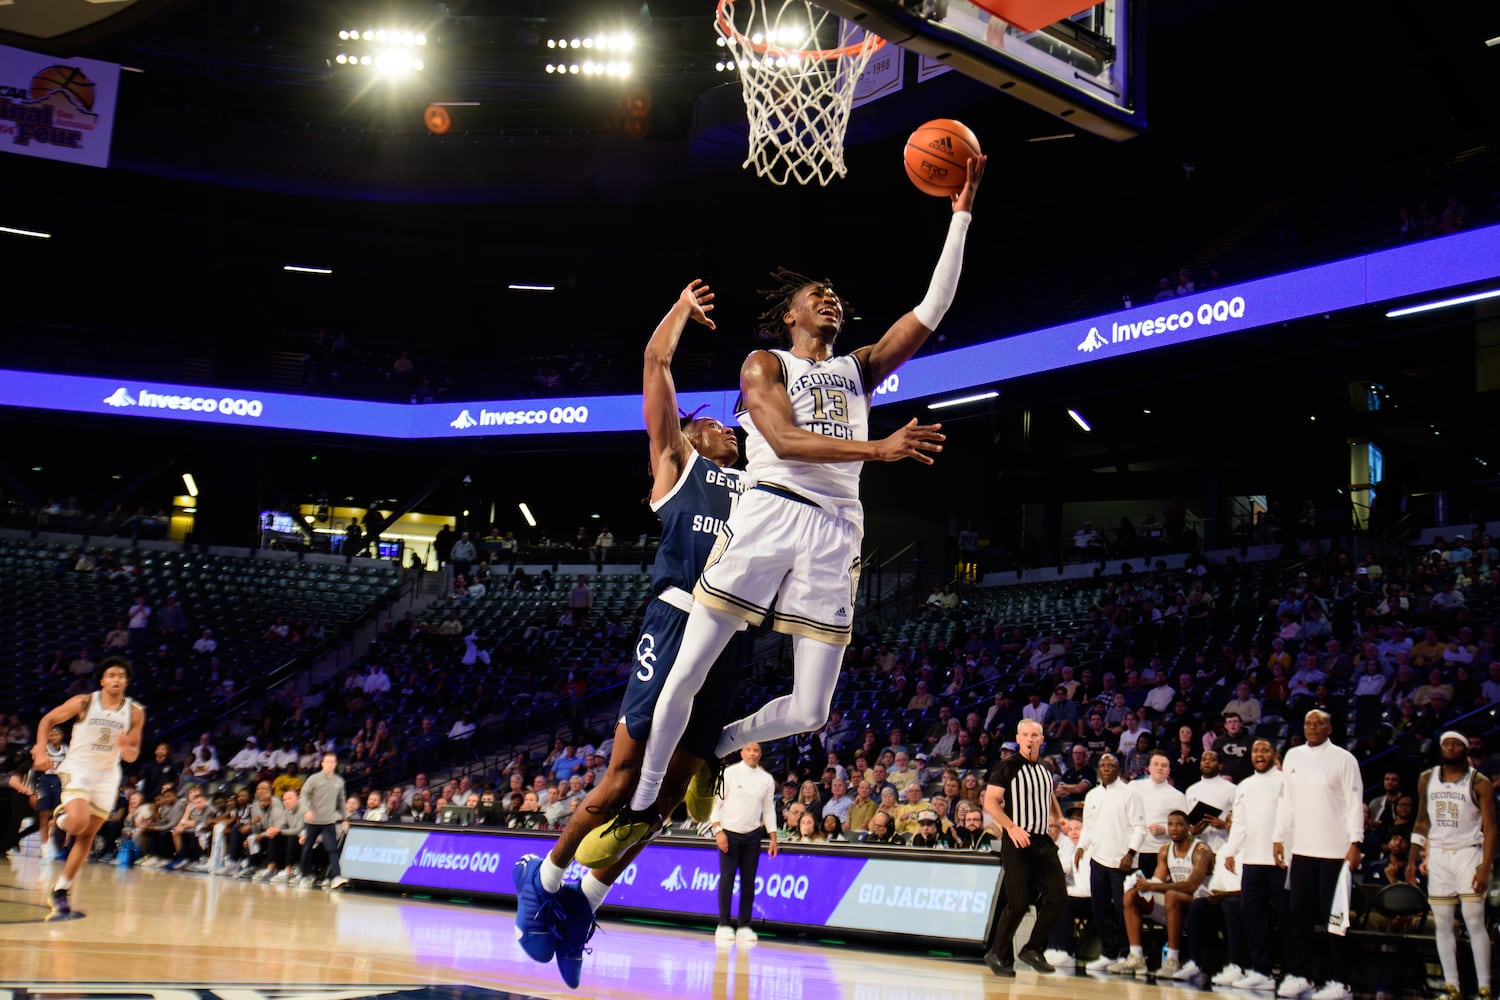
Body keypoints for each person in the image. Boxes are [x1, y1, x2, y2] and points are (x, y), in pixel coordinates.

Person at [609, 157, 985, 859]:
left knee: (811, 711)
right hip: (771, 510)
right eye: (819, 294)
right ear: (790, 314)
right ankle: (643, 797)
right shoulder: (766, 364)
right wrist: (880, 450)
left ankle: (720, 745)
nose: (832, 300)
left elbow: (932, 309)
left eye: (837, 294)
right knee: (687, 672)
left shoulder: (859, 369)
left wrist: (961, 211)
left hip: (837, 531)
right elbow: (780, 439)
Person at [513, 280, 753, 991]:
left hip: (731, 640)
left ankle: (584, 905)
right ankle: (545, 875)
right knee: (623, 779)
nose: (729, 432)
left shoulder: (758, 488)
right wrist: (679, 310)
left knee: (669, 799)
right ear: (691, 432)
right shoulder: (679, 467)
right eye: (716, 425)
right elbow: (655, 366)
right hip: (677, 620)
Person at [31, 656, 146, 915]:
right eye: (112, 675)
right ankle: (60, 819)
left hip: (107, 776)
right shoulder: (84, 701)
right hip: (78, 769)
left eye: (121, 676)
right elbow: (47, 720)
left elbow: (132, 755)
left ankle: (61, 888)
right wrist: (40, 750)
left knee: (86, 835)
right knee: (78, 822)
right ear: (103, 680)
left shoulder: (135, 712)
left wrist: (126, 747)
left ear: (126, 682)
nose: (117, 679)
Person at [1272, 709, 1363, 1000]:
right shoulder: (1293, 756)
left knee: (1334, 917)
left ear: (1330, 727)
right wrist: (1278, 837)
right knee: (1298, 914)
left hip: (1335, 851)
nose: (1312, 727)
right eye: (1308, 722)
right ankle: (1303, 976)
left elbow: (1354, 802)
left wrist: (1356, 842)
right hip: (1301, 849)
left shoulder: (1344, 759)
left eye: (1319, 723)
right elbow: (1286, 801)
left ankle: (1341, 983)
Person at [1406, 730, 1495, 1000]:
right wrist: (1413, 858)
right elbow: (1422, 820)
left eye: (1457, 743)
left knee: (1474, 921)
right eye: (1447, 743)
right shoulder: (1426, 778)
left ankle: (1484, 987)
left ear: (1466, 749)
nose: (1451, 747)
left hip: (1469, 853)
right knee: (1443, 923)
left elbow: (1491, 828)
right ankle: (1451, 986)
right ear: (1440, 747)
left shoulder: (1480, 782)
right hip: (1440, 855)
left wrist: (1485, 866)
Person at [981, 719, 1066, 976]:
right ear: (1018, 738)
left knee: (1058, 898)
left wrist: (1059, 817)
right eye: (1026, 734)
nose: (1030, 739)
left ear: (1042, 739)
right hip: (1018, 841)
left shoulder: (1044, 769)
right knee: (1018, 903)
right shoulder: (1007, 766)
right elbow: (991, 802)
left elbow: (1048, 794)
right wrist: (1011, 827)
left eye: (1035, 735)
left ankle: (1032, 948)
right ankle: (998, 953)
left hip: (1042, 841)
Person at [1107, 810, 1214, 977]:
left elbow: (1192, 886)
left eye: (1179, 824)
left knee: (1171, 894)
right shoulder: (1165, 850)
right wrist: (1142, 885)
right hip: (1174, 902)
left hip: (1201, 902)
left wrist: (1155, 887)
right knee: (1131, 895)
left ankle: (1172, 959)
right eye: (1170, 824)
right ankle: (1136, 957)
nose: (1174, 828)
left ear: (1188, 827)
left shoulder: (1201, 849)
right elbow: (1157, 880)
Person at [1220, 738, 1290, 991]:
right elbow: (1239, 822)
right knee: (1252, 915)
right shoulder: (1245, 786)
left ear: (1274, 754)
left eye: (1265, 750)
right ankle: (1261, 971)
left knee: (1286, 917)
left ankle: (1292, 972)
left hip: (1281, 863)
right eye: (1255, 751)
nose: (1259, 754)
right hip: (1251, 861)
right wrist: (1230, 850)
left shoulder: (1285, 781)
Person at [709, 741, 778, 944]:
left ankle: (745, 925)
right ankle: (723, 923)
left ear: (760, 753)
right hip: (729, 833)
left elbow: (768, 809)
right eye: (748, 749)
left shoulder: (766, 779)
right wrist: (718, 830)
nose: (752, 753)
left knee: (749, 882)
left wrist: (773, 837)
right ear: (741, 751)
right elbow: (716, 802)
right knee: (727, 879)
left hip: (753, 835)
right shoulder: (730, 773)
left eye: (756, 750)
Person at [1074, 752, 1133, 972]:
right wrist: (1081, 846)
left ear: (1118, 768)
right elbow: (1088, 826)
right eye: (1103, 764)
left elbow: (1139, 826)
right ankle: (1108, 952)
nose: (1106, 767)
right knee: (1099, 908)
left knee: (1120, 909)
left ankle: (1127, 953)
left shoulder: (1129, 793)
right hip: (1097, 858)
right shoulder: (1092, 795)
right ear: (1098, 769)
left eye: (1111, 764)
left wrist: (1131, 853)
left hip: (1120, 861)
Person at [299, 751, 349, 890]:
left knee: (332, 850)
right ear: (322, 763)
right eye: (327, 762)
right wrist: (307, 810)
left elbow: (341, 800)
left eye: (333, 762)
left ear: (336, 764)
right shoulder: (313, 779)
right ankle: (304, 876)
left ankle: (336, 877)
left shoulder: (339, 781)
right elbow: (303, 796)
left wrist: (345, 818)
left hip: (328, 822)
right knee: (307, 849)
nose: (330, 764)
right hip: (312, 822)